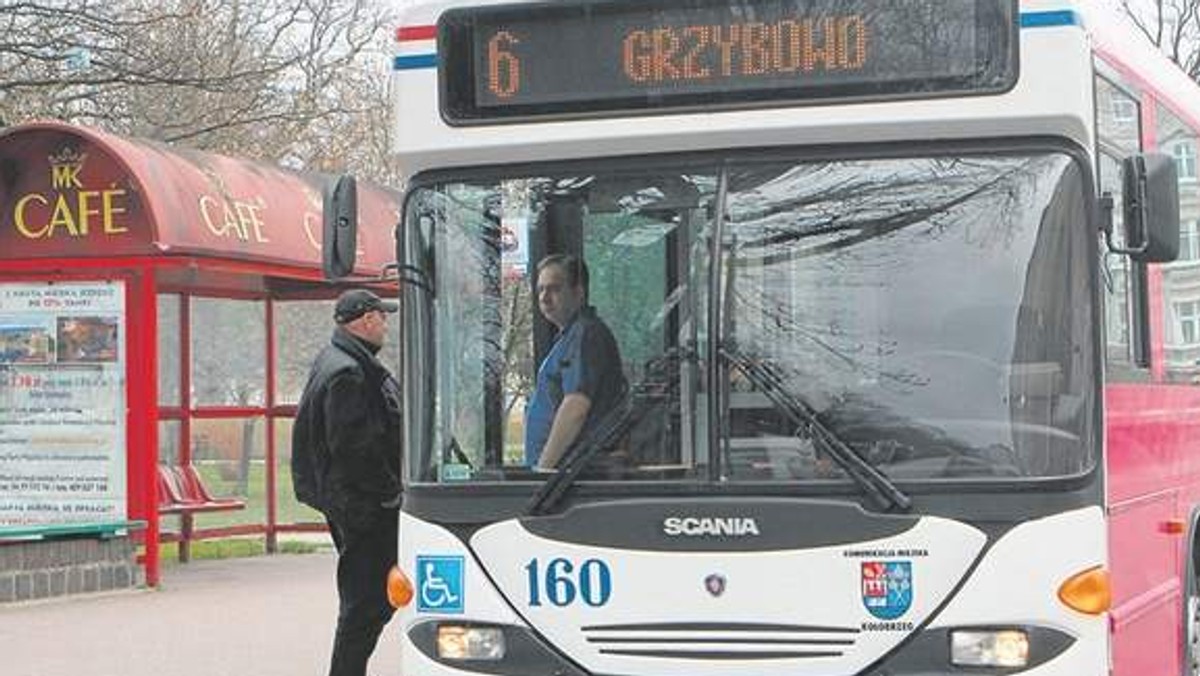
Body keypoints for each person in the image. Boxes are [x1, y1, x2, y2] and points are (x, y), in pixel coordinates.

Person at [292, 288, 402, 676]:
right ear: (366, 319)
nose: (386, 324)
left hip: (355, 505)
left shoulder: (339, 361)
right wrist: (392, 494)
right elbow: (356, 449)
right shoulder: (348, 373)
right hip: (364, 509)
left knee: (367, 604)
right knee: (365, 606)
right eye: (382, 317)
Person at [525, 254, 627, 469]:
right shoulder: (567, 337)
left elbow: (576, 406)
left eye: (554, 289)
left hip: (568, 478)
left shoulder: (585, 334)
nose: (544, 298)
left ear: (578, 293)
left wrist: (543, 470)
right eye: (541, 289)